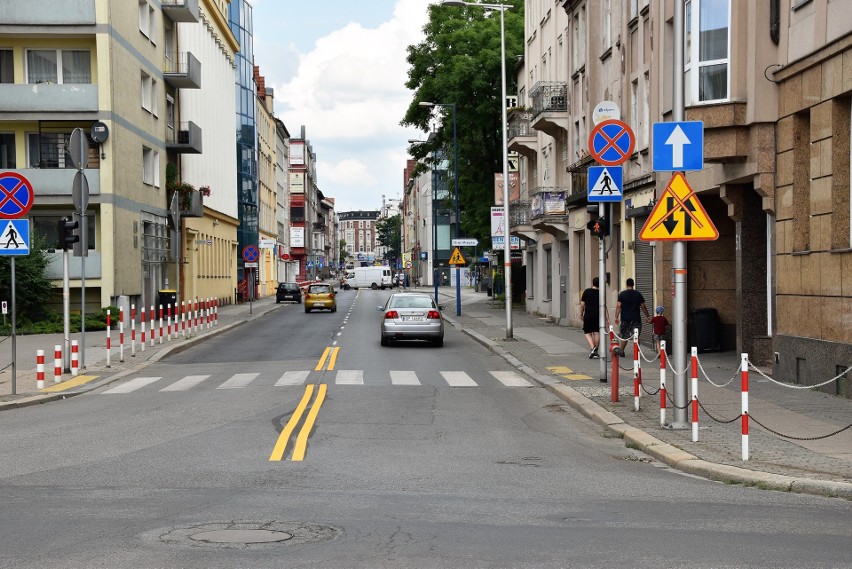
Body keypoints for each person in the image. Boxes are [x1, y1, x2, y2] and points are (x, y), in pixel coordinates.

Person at [614, 278, 650, 357]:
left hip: (625, 318)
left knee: (624, 336)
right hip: (636, 318)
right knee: (636, 336)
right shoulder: (638, 294)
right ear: (633, 284)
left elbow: (619, 306)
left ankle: (622, 351)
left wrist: (616, 317)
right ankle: (636, 352)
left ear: (626, 284)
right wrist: (648, 316)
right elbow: (643, 307)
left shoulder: (622, 294)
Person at [580, 277, 606, 359]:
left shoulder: (587, 291)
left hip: (588, 315)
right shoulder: (601, 293)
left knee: (587, 332)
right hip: (598, 315)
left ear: (592, 283)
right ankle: (595, 351)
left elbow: (582, 304)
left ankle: (593, 348)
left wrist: (581, 314)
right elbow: (604, 306)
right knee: (596, 332)